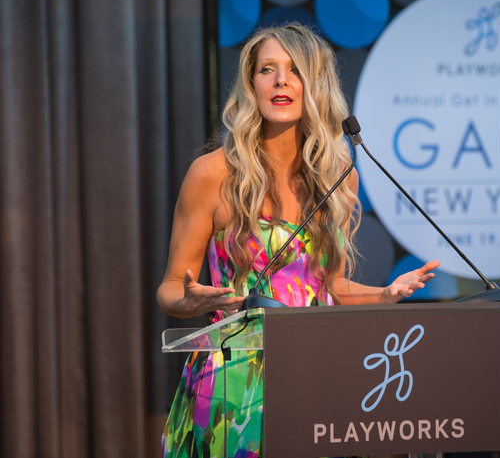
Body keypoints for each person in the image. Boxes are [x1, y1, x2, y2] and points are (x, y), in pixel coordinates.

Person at [157, 24, 439, 457]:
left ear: (316, 85)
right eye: (266, 69)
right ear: (251, 84)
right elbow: (172, 288)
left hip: (317, 374)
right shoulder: (213, 173)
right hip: (234, 387)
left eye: (295, 70)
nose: (280, 80)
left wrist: (385, 294)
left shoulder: (338, 176)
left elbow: (332, 288)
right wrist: (193, 300)